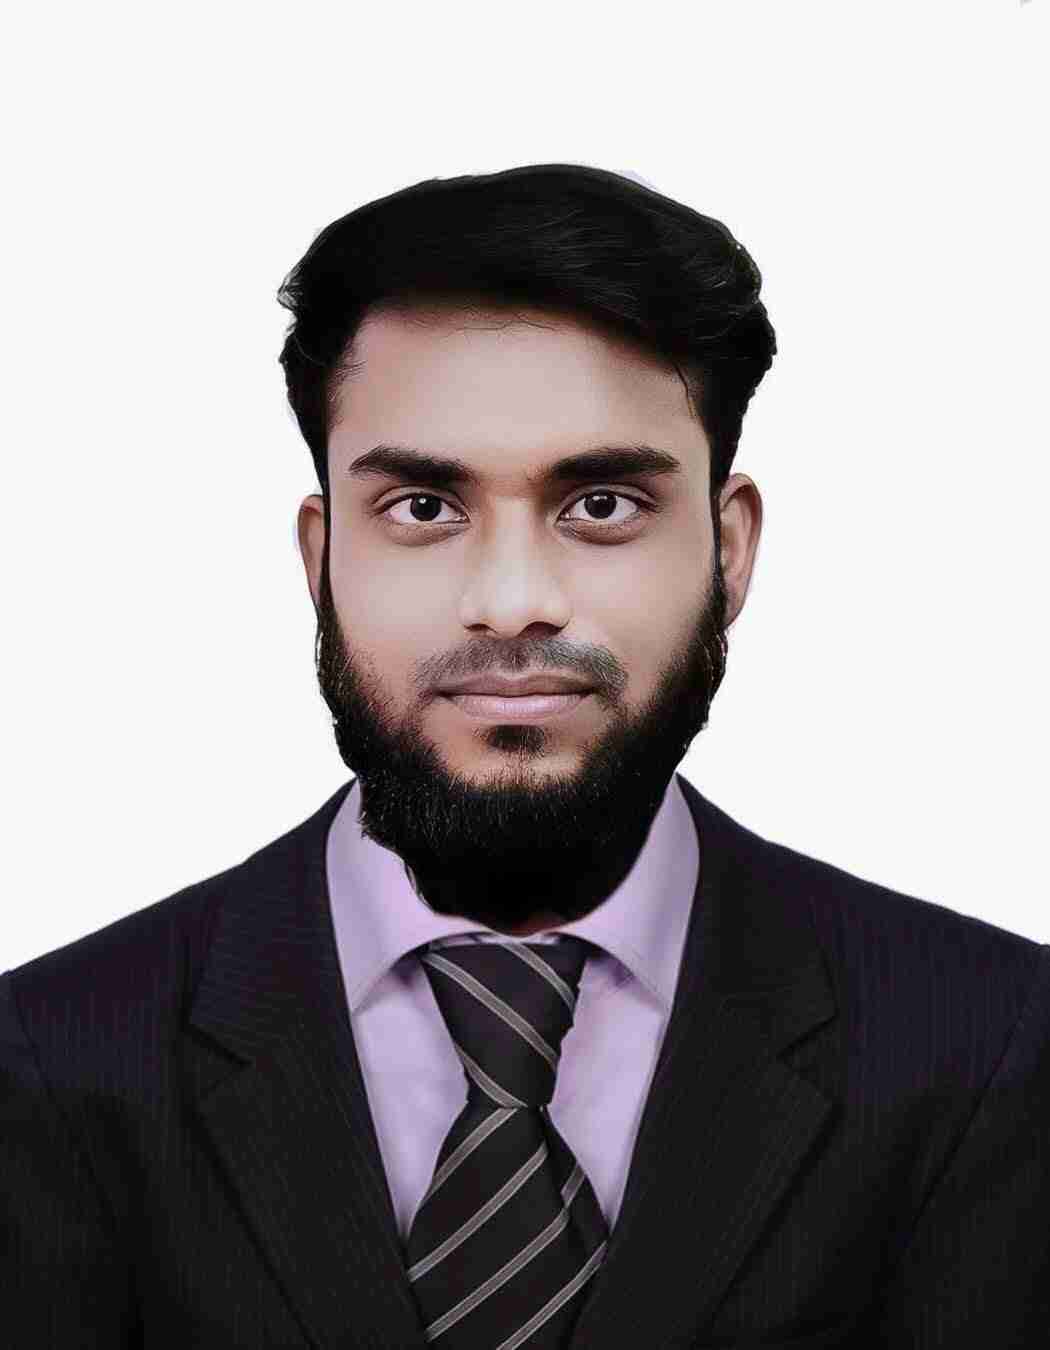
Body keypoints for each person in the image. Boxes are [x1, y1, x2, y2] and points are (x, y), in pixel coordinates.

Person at [2, 164, 1047, 1349]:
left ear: (729, 549)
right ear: (321, 557)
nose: (510, 602)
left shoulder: (991, 1044)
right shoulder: (49, 1061)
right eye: (423, 507)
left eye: (601, 504)